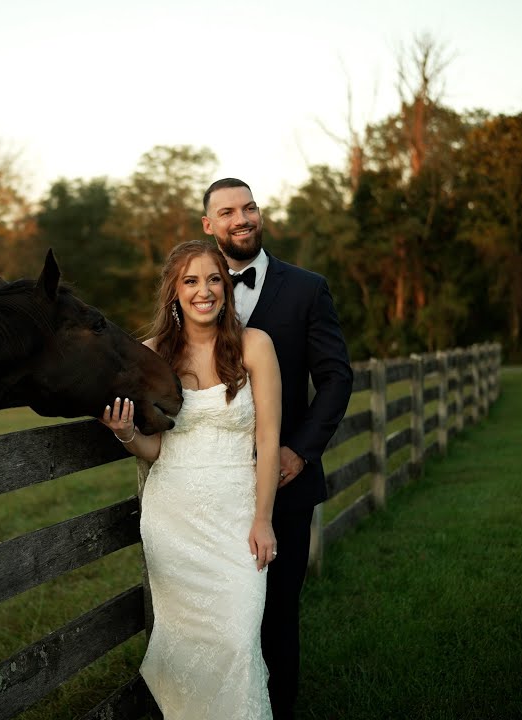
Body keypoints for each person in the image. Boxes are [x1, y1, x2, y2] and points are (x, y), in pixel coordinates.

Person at [101, 239, 283, 719]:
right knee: (185, 649)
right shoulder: (151, 355)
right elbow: (155, 449)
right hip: (173, 520)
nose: (204, 291)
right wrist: (125, 435)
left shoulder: (255, 346)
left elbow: (268, 441)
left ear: (225, 286)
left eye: (213, 279)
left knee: (238, 639)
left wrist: (263, 519)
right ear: (174, 292)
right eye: (191, 281)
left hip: (236, 518)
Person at [202, 177, 353, 720]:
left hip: (287, 483)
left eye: (249, 207)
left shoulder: (307, 288)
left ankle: (277, 710)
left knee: (276, 611)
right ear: (209, 225)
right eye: (227, 212)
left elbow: (336, 378)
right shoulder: (194, 287)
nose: (241, 218)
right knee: (218, 609)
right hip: (212, 480)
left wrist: (300, 451)